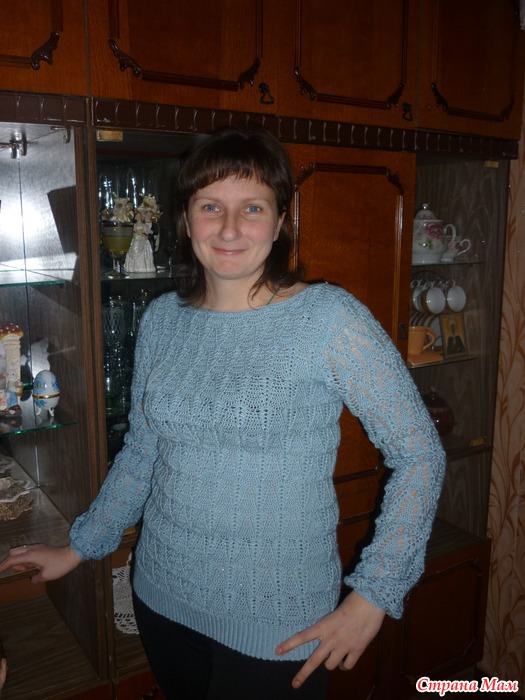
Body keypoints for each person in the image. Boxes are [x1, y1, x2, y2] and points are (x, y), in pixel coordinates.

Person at [0, 127, 445, 700]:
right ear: (186, 221)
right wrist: (79, 547)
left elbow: (419, 455)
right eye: (211, 206)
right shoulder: (163, 320)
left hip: (279, 624)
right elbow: (144, 453)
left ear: (279, 223)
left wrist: (374, 594)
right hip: (162, 596)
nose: (230, 228)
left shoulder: (328, 319)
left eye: (252, 208)